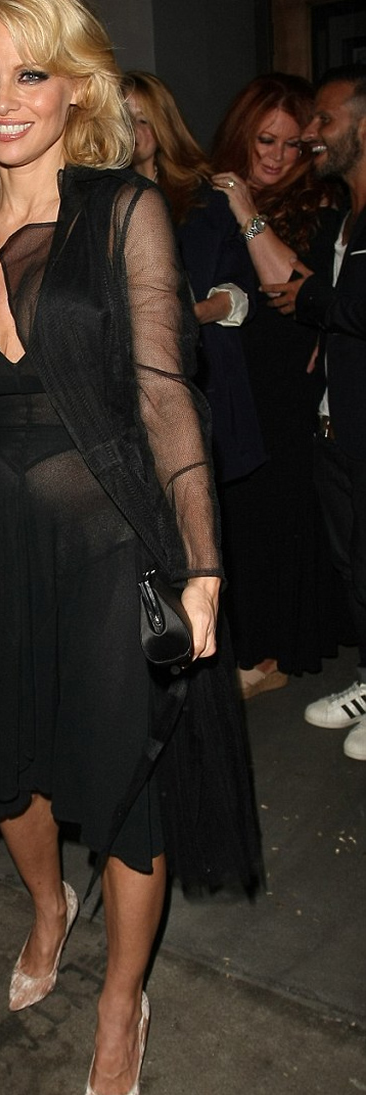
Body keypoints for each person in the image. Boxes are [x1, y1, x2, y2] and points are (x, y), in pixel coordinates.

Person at [0, 0, 261, 1095]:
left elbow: (165, 391)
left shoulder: (121, 210)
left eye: (30, 73)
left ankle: (122, 1002)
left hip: (113, 546)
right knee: (9, 769)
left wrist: (202, 567)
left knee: (126, 788)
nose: (3, 101)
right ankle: (48, 908)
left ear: (77, 85)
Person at [210, 74, 346, 699]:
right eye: (266, 140)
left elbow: (285, 286)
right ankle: (241, 641)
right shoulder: (203, 196)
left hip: (286, 378)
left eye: (293, 145)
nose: (278, 157)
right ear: (242, 133)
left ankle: (272, 652)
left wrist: (245, 209)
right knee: (230, 512)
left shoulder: (318, 204)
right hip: (226, 374)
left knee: (273, 511)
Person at [257, 66, 366, 760]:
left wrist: (319, 304)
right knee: (353, 569)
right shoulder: (345, 216)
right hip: (336, 425)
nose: (310, 135)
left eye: (324, 120)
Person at [122, 71, 264, 485]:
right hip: (121, 389)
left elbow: (242, 291)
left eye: (143, 119)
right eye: (122, 118)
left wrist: (191, 314)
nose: (132, 130)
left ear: (164, 125)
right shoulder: (90, 201)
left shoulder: (205, 200)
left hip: (201, 376)